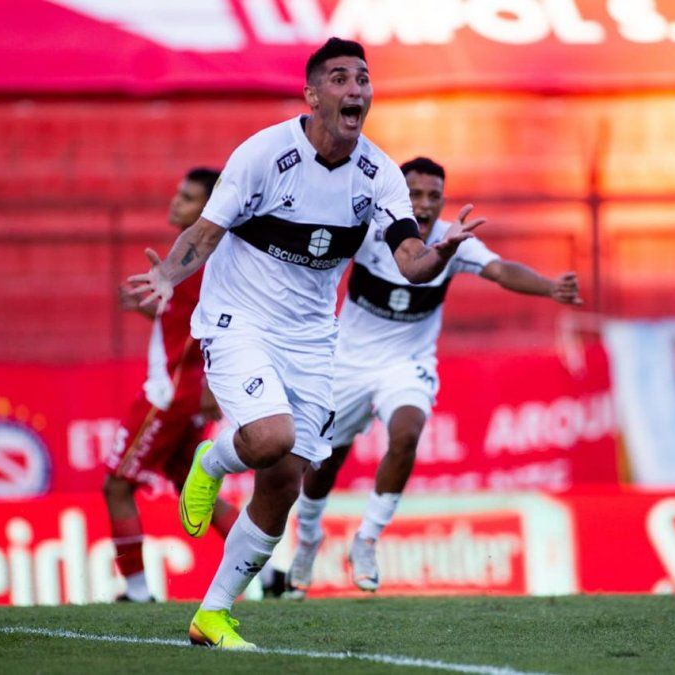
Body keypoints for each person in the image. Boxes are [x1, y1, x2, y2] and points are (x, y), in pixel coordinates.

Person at [126, 38, 484, 649]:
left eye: (363, 80)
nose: (355, 90)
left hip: (314, 335)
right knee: (272, 438)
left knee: (286, 479)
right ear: (312, 94)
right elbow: (207, 231)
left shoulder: (378, 176)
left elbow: (411, 262)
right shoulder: (264, 155)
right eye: (340, 79)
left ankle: (212, 613)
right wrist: (167, 275)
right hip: (240, 318)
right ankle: (210, 462)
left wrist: (441, 253)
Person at [284, 156, 582, 599]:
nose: (423, 206)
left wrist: (548, 286)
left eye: (433, 196)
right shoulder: (372, 231)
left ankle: (366, 540)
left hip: (408, 364)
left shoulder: (450, 239)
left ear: (443, 200)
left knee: (406, 433)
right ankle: (308, 539)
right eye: (414, 195)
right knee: (322, 463)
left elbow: (500, 270)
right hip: (346, 364)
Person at [104, 167, 242, 603]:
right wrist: (149, 311)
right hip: (184, 392)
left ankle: (138, 591)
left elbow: (216, 327)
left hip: (169, 395)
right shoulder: (193, 258)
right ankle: (271, 570)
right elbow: (185, 324)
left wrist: (211, 388)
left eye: (187, 197)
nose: (175, 201)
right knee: (189, 485)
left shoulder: (201, 263)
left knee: (117, 486)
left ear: (208, 208)